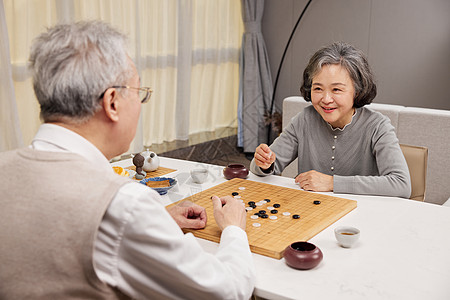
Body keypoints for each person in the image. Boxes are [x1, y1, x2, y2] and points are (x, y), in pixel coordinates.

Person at [0, 21, 254, 299]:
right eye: (138, 92)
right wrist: (233, 230)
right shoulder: (123, 204)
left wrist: (156, 221)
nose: (140, 105)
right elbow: (226, 292)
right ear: (112, 103)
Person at [250, 42, 411, 198]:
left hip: (360, 216)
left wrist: (332, 183)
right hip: (309, 213)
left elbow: (401, 184)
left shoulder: (378, 126)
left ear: (357, 91)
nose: (326, 99)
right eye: (318, 88)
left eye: (336, 89)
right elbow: (262, 168)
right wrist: (264, 163)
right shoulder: (304, 119)